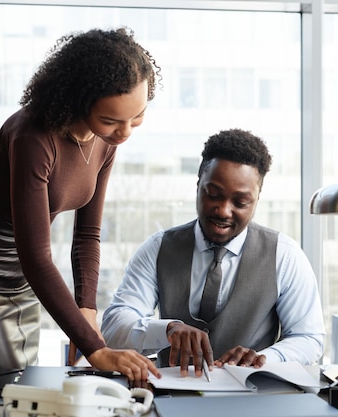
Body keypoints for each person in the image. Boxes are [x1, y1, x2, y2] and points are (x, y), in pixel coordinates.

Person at [0, 27, 162, 381]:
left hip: (24, 284)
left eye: (137, 117)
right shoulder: (32, 137)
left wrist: (86, 309)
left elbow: (87, 235)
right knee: (3, 397)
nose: (125, 131)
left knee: (27, 396)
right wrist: (95, 349)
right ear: (78, 99)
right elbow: (36, 256)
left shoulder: (106, 142)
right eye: (111, 120)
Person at [101, 129, 325, 378]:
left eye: (240, 202)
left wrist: (264, 359)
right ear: (198, 185)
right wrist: (167, 329)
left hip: (254, 399)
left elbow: (309, 338)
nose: (224, 211)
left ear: (257, 199)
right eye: (213, 195)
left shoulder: (285, 255)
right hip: (173, 400)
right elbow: (114, 326)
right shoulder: (158, 248)